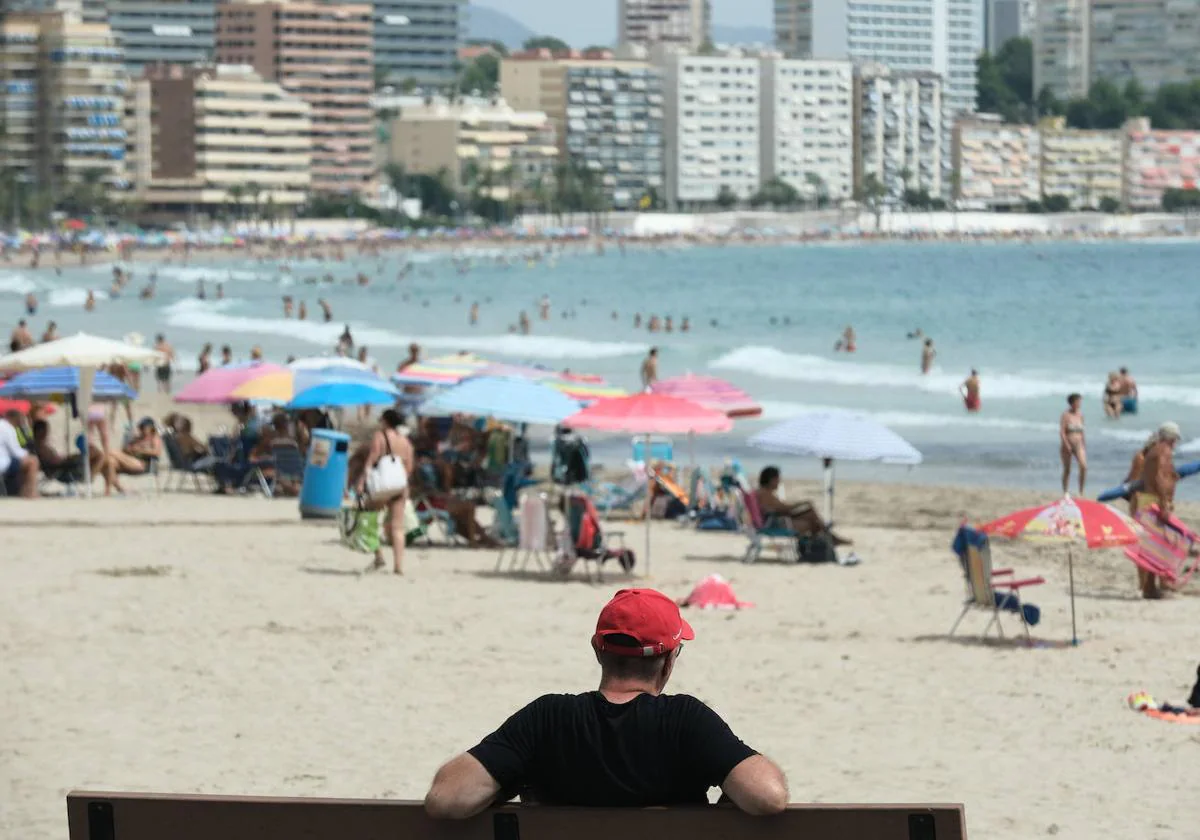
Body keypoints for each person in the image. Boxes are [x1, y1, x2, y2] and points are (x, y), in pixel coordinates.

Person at [424, 588, 788, 818]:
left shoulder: (547, 718)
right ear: (669, 660)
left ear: (598, 650)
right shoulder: (686, 722)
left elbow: (446, 799)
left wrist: (508, 783)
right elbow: (768, 797)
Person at [357, 409, 414, 575]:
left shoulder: (380, 436)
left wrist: (362, 481)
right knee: (397, 527)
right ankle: (398, 566)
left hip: (382, 486)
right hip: (399, 486)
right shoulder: (405, 441)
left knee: (368, 518)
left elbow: (372, 458)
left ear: (386, 421)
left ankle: (379, 556)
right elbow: (409, 466)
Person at [1138, 421, 1183, 599]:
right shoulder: (1163, 450)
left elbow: (1160, 473)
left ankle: (1154, 585)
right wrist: (1164, 501)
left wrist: (1172, 476)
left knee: (1155, 545)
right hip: (1155, 500)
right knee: (1157, 545)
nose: (1175, 444)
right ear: (1170, 437)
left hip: (1149, 499)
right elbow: (1157, 476)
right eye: (1175, 440)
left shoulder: (1155, 450)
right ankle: (1150, 588)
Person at [755, 466, 851, 546]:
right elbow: (784, 508)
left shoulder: (764, 492)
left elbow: (781, 508)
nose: (779, 482)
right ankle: (826, 539)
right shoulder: (765, 494)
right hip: (777, 523)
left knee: (810, 513)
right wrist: (802, 503)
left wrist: (802, 505)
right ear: (771, 479)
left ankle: (826, 538)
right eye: (777, 479)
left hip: (779, 519)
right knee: (814, 522)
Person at [0, 412, 38, 497]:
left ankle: (21, 490)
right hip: (3, 463)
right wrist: (28, 453)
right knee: (32, 461)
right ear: (15, 418)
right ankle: (30, 492)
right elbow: (15, 451)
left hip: (4, 460)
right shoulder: (8, 428)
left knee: (22, 463)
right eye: (20, 419)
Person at [1060, 393, 1086, 495]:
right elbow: (1062, 431)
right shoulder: (1066, 415)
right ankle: (1065, 491)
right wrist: (1066, 444)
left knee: (1084, 466)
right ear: (1072, 403)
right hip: (1068, 444)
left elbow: (1082, 431)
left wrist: (1084, 444)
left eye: (1080, 401)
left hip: (1079, 444)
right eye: (1078, 401)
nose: (1079, 403)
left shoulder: (1080, 415)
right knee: (1067, 469)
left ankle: (1081, 491)